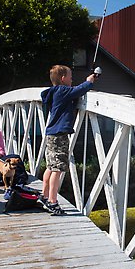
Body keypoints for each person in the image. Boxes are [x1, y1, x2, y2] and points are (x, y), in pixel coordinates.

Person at [40, 65, 96, 215]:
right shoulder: (62, 90)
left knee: (51, 166)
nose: (72, 80)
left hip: (51, 134)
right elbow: (78, 90)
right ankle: (53, 202)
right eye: (70, 77)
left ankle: (44, 196)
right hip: (59, 135)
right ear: (63, 78)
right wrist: (89, 81)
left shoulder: (54, 92)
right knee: (57, 169)